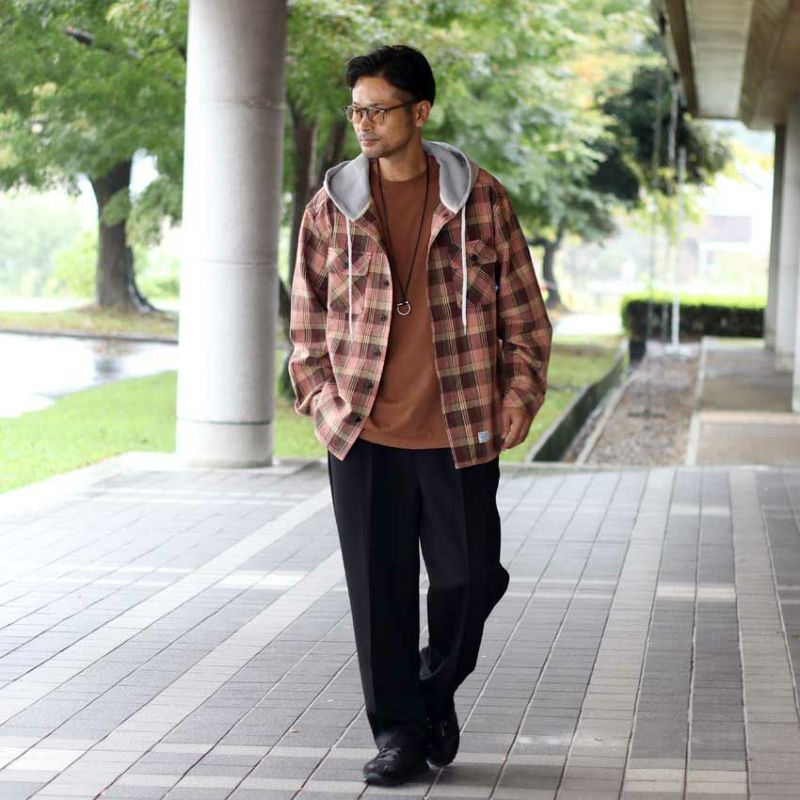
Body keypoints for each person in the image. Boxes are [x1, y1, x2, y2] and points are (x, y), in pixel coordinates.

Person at [289, 44, 552, 787]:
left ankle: (431, 695)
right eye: (356, 111)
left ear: (420, 112)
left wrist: (518, 397)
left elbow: (526, 318)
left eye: (378, 110)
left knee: (470, 579)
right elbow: (305, 328)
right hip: (363, 435)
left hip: (458, 432)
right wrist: (325, 407)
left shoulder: (480, 201)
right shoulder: (331, 207)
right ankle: (401, 733)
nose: (363, 123)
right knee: (380, 595)